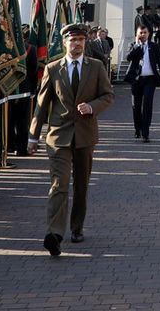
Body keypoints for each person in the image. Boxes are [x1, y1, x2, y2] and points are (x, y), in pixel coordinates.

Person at [29, 23, 113, 256]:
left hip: (85, 136)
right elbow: (42, 103)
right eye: (72, 40)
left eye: (80, 40)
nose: (77, 44)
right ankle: (54, 233)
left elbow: (108, 95)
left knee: (81, 185)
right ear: (65, 42)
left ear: (85, 43)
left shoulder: (95, 67)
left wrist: (92, 107)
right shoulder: (53, 68)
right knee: (59, 184)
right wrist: (33, 136)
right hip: (59, 136)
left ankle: (77, 227)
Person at [123, 24, 160, 143]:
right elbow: (128, 58)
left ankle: (145, 132)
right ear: (137, 34)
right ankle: (137, 129)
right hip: (136, 80)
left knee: (147, 105)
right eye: (140, 33)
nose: (143, 35)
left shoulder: (154, 46)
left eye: (145, 32)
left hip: (150, 79)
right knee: (136, 106)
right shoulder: (133, 45)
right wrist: (137, 45)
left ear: (149, 34)